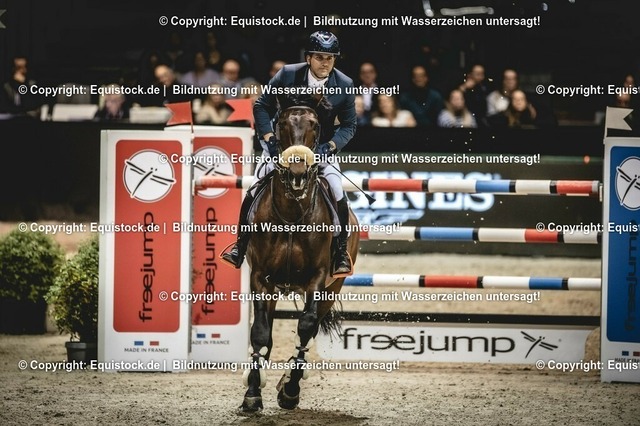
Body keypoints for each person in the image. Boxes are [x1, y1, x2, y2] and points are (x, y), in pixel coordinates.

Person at [221, 30, 357, 277]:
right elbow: (261, 105)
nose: (325, 63)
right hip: (281, 147)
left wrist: (330, 147)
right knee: (254, 188)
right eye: (319, 57)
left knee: (337, 190)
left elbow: (349, 126)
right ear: (309, 58)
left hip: (319, 149)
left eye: (330, 58)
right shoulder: (287, 75)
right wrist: (269, 140)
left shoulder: (344, 85)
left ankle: (339, 252)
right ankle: (240, 245)